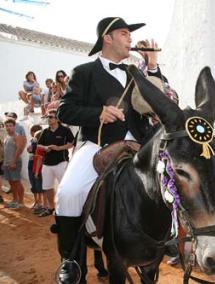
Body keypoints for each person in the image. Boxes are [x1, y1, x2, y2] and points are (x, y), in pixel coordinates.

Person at [54, 17, 160, 282]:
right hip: (98, 145)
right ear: (107, 38)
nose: (130, 39)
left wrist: (153, 66)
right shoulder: (84, 72)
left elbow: (161, 96)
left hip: (139, 145)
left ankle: (165, 240)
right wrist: (98, 112)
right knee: (68, 192)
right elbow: (66, 109)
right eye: (124, 34)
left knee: (172, 180)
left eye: (130, 35)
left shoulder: (135, 73)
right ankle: (71, 260)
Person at [37, 109, 74, 217]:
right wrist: (45, 148)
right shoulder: (45, 131)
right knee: (47, 187)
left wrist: (59, 148)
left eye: (51, 117)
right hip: (47, 163)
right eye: (48, 117)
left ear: (57, 119)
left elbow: (72, 143)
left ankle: (64, 209)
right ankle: (51, 208)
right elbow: (39, 145)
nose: (48, 119)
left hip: (61, 162)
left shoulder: (65, 130)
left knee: (64, 187)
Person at [3, 118, 26, 209]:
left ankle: (21, 202)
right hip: (7, 163)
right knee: (11, 183)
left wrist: (13, 162)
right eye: (7, 126)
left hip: (15, 163)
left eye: (10, 126)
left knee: (17, 182)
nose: (8, 128)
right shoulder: (6, 137)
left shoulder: (17, 136)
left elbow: (19, 150)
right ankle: (15, 200)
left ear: (14, 126)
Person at [27, 124, 43, 211]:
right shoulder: (33, 140)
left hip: (36, 163)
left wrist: (31, 149)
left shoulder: (39, 141)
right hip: (31, 163)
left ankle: (39, 202)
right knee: (33, 182)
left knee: (37, 183)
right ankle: (37, 201)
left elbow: (35, 151)